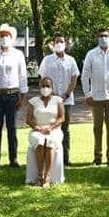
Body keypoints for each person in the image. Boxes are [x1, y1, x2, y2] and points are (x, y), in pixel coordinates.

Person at [0, 23, 28, 169]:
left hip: (12, 95)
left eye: (6, 35)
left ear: (11, 37)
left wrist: (22, 96)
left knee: (12, 128)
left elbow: (22, 76)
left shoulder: (18, 55)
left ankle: (13, 159)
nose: (4, 38)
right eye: (1, 36)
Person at [81, 28, 109, 166]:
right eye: (101, 36)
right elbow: (85, 75)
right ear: (97, 37)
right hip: (96, 98)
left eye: (106, 35)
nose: (103, 38)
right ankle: (98, 156)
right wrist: (87, 94)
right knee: (97, 128)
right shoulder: (91, 54)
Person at [38, 33, 80, 166]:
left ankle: (65, 158)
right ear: (53, 44)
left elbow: (74, 79)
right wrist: (51, 94)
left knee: (65, 129)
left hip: (66, 101)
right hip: (50, 101)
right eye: (57, 42)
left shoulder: (71, 60)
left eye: (61, 41)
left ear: (66, 43)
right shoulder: (47, 60)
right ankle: (51, 155)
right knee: (51, 126)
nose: (59, 44)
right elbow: (42, 79)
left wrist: (66, 94)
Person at [26, 77, 65, 187]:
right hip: (37, 130)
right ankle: (39, 175)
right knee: (39, 141)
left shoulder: (58, 100)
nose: (45, 88)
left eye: (48, 86)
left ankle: (47, 176)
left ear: (52, 88)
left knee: (50, 141)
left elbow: (62, 118)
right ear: (40, 87)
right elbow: (28, 119)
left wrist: (51, 127)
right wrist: (37, 127)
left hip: (54, 130)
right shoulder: (33, 101)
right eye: (43, 86)